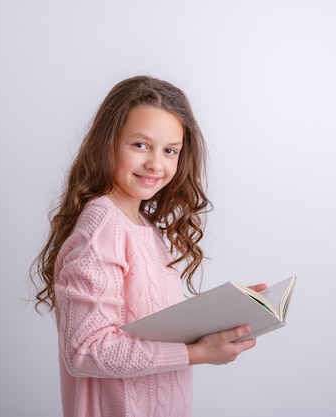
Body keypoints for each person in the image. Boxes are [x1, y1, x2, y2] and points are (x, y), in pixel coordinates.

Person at [31, 75, 265, 417]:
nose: (156, 164)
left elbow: (148, 328)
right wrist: (199, 353)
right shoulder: (103, 228)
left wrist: (224, 315)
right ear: (107, 143)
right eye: (140, 145)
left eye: (170, 150)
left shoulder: (144, 227)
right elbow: (86, 350)